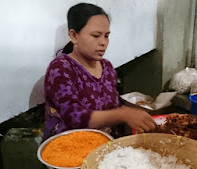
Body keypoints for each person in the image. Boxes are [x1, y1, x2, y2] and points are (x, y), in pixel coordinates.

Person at [43, 3, 157, 140]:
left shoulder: (107, 67)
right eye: (96, 36)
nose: (103, 42)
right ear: (74, 36)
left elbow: (113, 107)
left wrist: (136, 114)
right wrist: (123, 114)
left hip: (103, 144)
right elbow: (74, 116)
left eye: (106, 36)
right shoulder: (61, 68)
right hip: (69, 148)